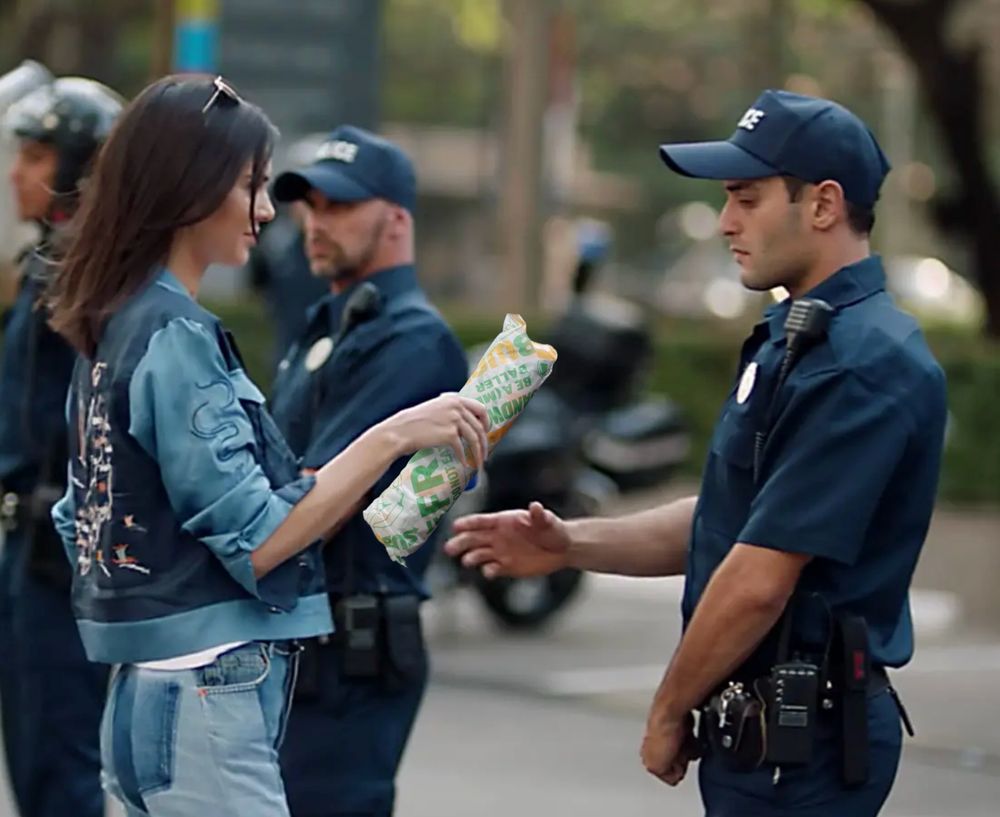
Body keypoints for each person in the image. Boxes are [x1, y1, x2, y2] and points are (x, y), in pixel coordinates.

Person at [446, 89, 947, 817]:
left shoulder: (860, 363)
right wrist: (569, 542)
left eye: (746, 197)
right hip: (766, 738)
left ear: (824, 203)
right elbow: (729, 516)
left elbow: (760, 577)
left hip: (799, 745)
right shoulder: (799, 337)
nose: (725, 222)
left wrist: (666, 707)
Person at [45, 75, 489, 817]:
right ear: (193, 187)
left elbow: (78, 518)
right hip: (202, 696)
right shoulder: (173, 335)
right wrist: (397, 433)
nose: (266, 212)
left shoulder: (114, 326)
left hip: (143, 689)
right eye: (251, 185)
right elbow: (261, 540)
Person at [267, 125, 468, 817]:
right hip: (302, 645)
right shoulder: (329, 323)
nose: (317, 223)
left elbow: (306, 491)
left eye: (340, 206)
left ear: (398, 218)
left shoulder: (410, 338)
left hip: (349, 653)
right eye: (310, 205)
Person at [0, 76, 122, 817]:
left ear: (79, 167)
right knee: (33, 758)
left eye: (38, 156)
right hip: (23, 547)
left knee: (60, 768)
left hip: (56, 554)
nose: (17, 171)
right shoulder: (46, 265)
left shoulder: (91, 275)